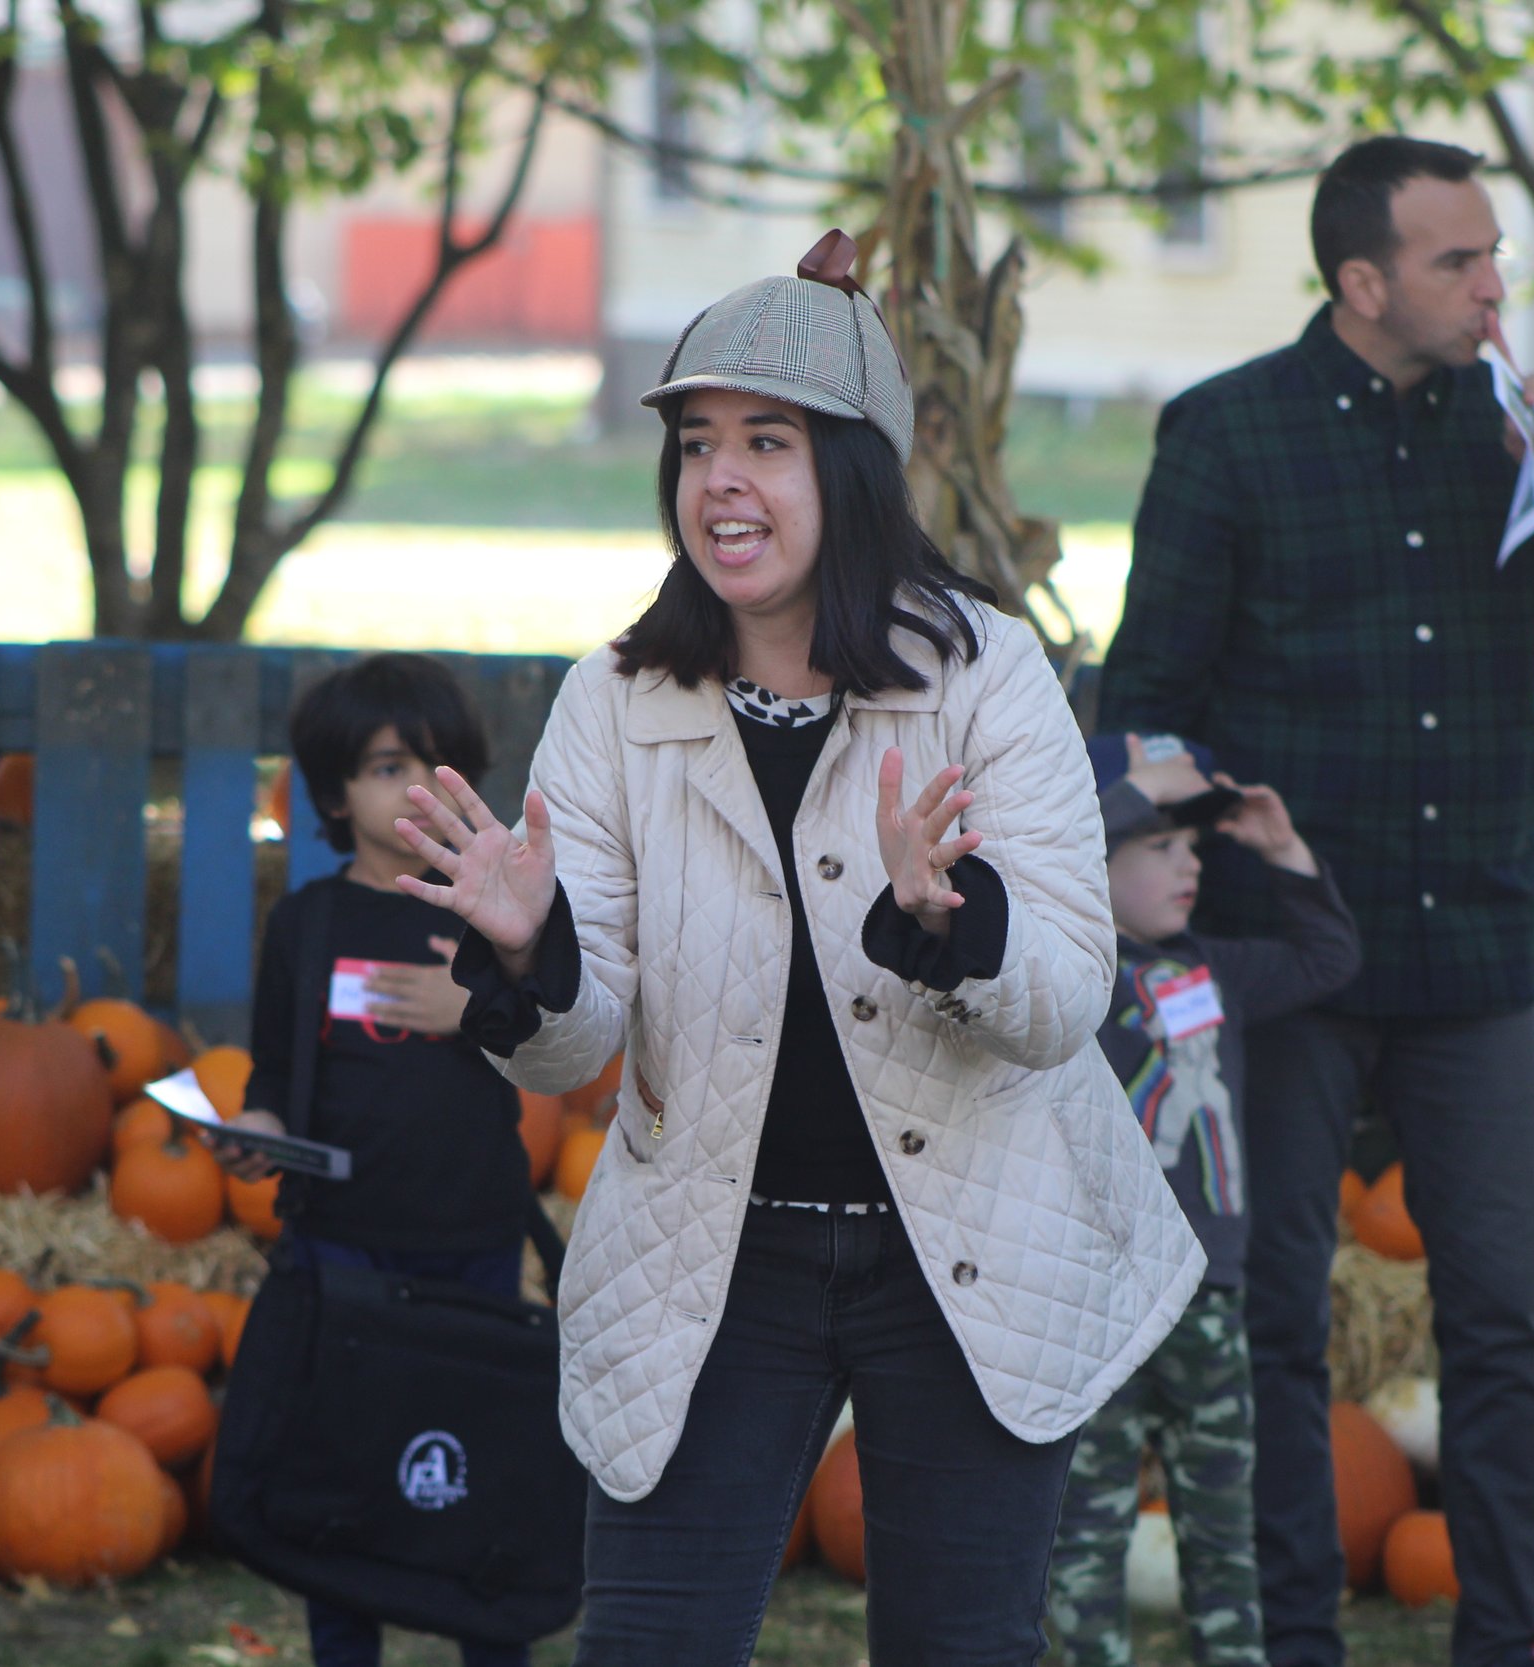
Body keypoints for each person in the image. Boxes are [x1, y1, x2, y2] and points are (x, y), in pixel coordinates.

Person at [390, 231, 1206, 1666]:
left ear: (855, 469)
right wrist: (534, 953)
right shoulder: (618, 701)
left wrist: (954, 923)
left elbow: (1068, 991)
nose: (721, 480)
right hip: (715, 1248)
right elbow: (576, 1050)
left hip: (967, 1241)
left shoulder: (985, 670)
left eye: (767, 441)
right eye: (698, 442)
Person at [1094, 136, 1534, 1667]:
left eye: (1493, 257)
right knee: (1274, 1311)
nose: (1495, 288)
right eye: (1460, 261)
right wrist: (1191, 880)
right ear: (1364, 282)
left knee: (1501, 1313)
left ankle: (1505, 1636)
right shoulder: (1226, 437)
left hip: (1476, 943)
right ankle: (1292, 1639)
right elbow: (1148, 696)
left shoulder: (1508, 435)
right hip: (1285, 959)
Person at [210, 651, 536, 1667]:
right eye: (388, 766)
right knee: (341, 1478)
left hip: (472, 1235)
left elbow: (558, 1040)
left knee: (477, 1476)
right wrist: (258, 1130)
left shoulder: (491, 915)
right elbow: (272, 1071)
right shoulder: (307, 924)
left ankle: (496, 1646)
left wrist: (474, 1004)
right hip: (342, 1247)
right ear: (332, 792)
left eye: (439, 767)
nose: (415, 789)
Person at [1046, 739, 1359, 1667]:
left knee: (1224, 1531)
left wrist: (1282, 849)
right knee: (1087, 1535)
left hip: (1209, 1302)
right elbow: (1051, 852)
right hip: (1104, 1304)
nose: (1188, 863)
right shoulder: (1071, 975)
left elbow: (1329, 955)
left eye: (1194, 846)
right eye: (1158, 845)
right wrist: (1130, 794)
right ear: (1095, 861)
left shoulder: (1214, 969)